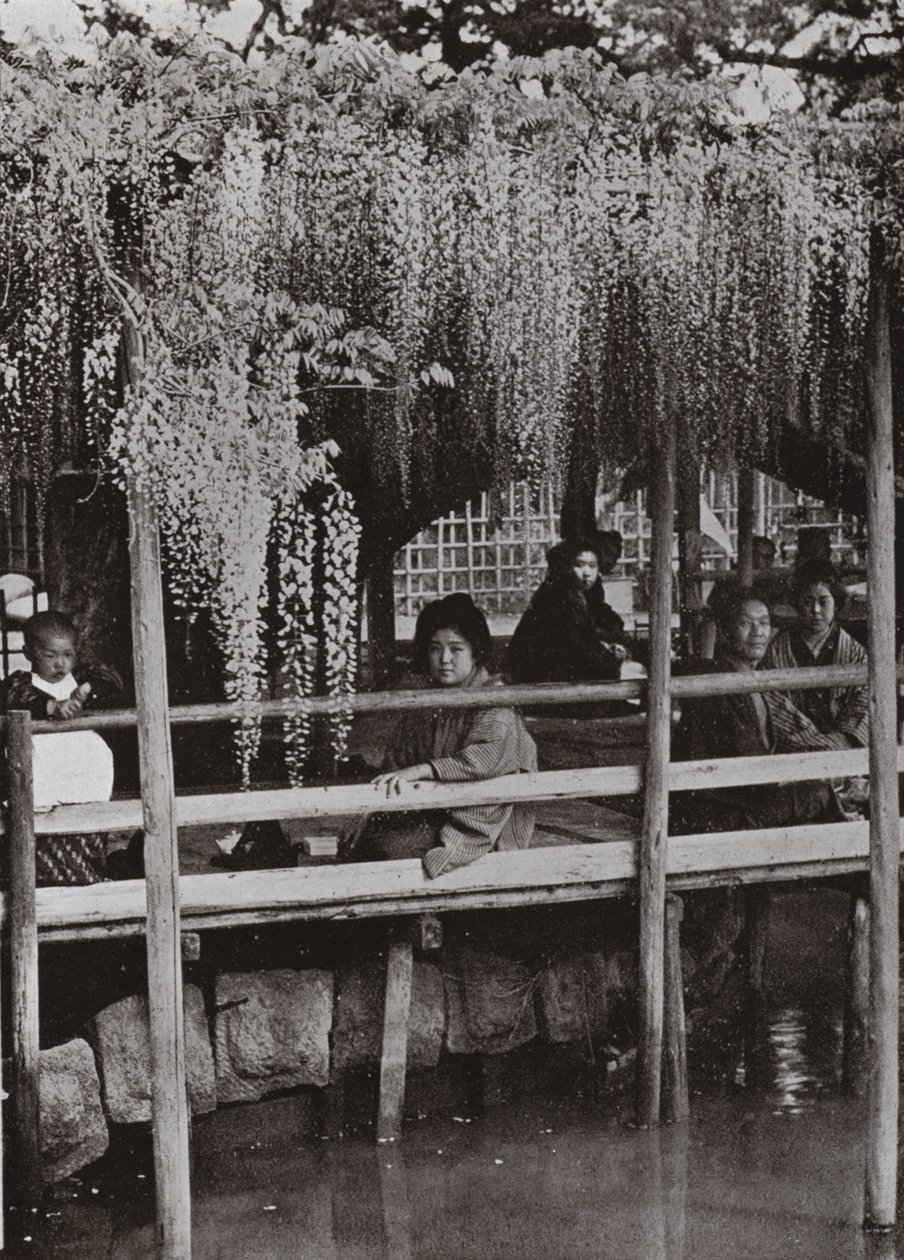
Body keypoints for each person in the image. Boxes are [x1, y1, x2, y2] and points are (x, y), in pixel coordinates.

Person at [341, 594, 536, 877]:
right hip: (435, 810)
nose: (444, 659)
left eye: (456, 649)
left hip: (480, 821)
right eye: (435, 649)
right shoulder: (427, 701)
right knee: (362, 841)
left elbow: (485, 758)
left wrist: (422, 770)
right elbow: (397, 762)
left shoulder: (494, 699)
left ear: (476, 652)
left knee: (384, 850)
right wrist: (367, 811)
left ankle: (418, 918)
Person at [672, 587, 846, 835]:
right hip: (717, 813)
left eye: (764, 623)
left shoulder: (754, 683)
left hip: (742, 799)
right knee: (818, 795)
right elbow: (751, 762)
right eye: (745, 623)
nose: (758, 632)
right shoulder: (719, 684)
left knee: (820, 793)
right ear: (723, 631)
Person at [1, 611, 123, 885]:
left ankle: (87, 874)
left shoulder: (78, 679)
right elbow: (13, 696)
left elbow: (112, 679)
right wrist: (52, 707)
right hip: (44, 767)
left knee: (84, 823)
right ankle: (42, 879)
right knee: (39, 829)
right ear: (29, 653)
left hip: (81, 770)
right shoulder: (21, 683)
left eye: (68, 655)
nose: (61, 663)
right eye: (50, 656)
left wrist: (88, 689)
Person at [761, 557, 868, 749]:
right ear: (796, 603)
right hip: (794, 748)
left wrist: (838, 743)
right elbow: (774, 705)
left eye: (824, 602)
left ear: (836, 603)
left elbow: (863, 704)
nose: (815, 610)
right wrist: (814, 743)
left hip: (842, 750)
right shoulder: (776, 650)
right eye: (808, 601)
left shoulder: (854, 652)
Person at [509, 538, 629, 686]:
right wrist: (611, 660)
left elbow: (608, 619)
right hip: (542, 675)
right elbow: (580, 644)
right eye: (579, 565)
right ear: (565, 567)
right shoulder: (555, 595)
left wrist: (614, 641)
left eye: (592, 566)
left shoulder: (584, 592)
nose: (587, 573)